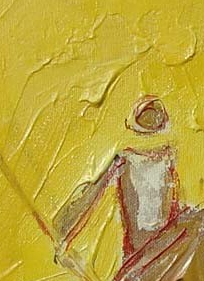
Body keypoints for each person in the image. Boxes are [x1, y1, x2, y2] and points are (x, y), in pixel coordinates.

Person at [54, 95, 182, 267]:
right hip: (137, 255)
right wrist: (65, 237)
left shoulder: (169, 160)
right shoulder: (125, 160)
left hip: (167, 248)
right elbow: (93, 196)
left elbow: (174, 207)